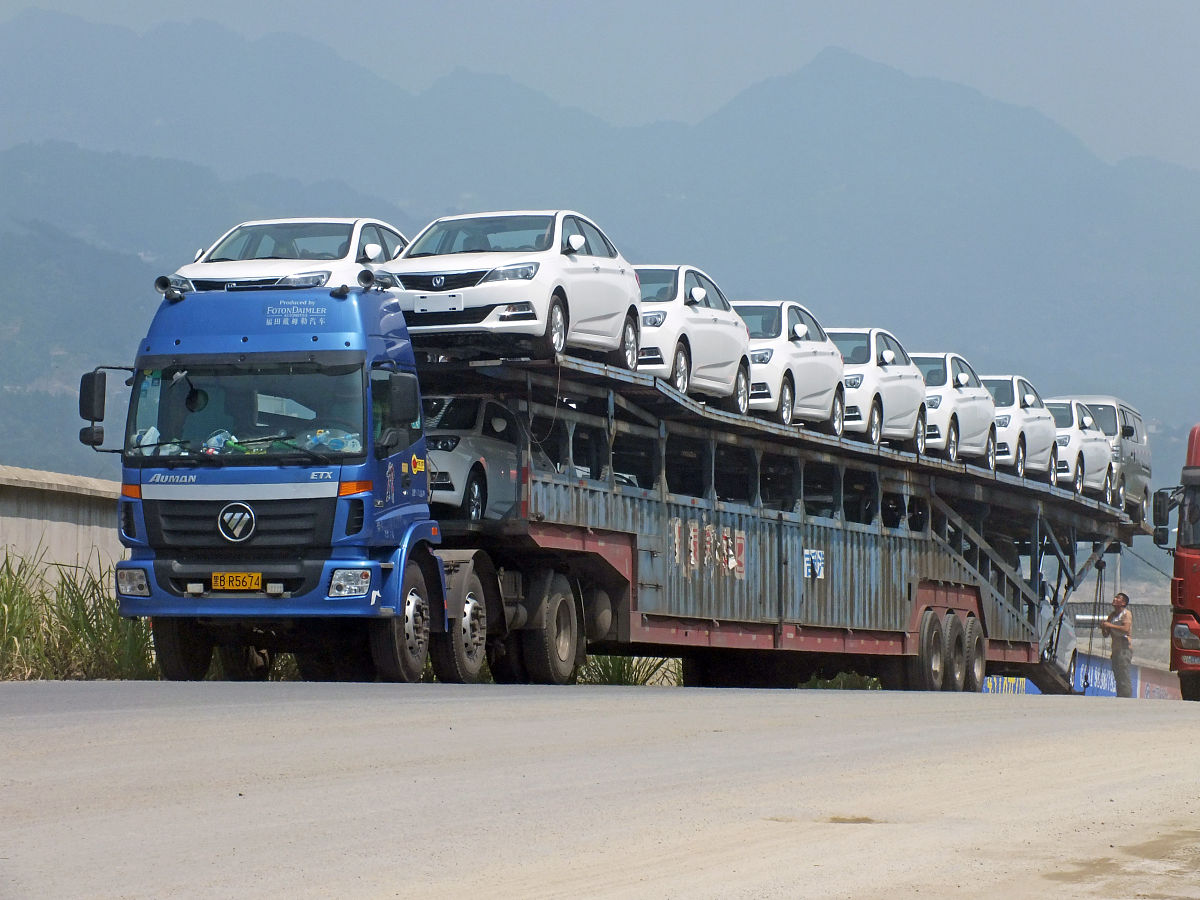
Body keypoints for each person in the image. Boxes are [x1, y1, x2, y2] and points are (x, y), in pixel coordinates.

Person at [1099, 591, 1134, 698]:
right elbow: (1106, 634)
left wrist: (1110, 625)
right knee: (1117, 675)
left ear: (1123, 603)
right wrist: (1104, 627)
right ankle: (1120, 696)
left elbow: (1125, 629)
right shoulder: (1112, 615)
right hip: (1115, 650)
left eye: (1118, 598)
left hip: (1124, 649)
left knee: (1124, 674)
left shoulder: (1126, 614)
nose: (1115, 599)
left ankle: (1126, 697)